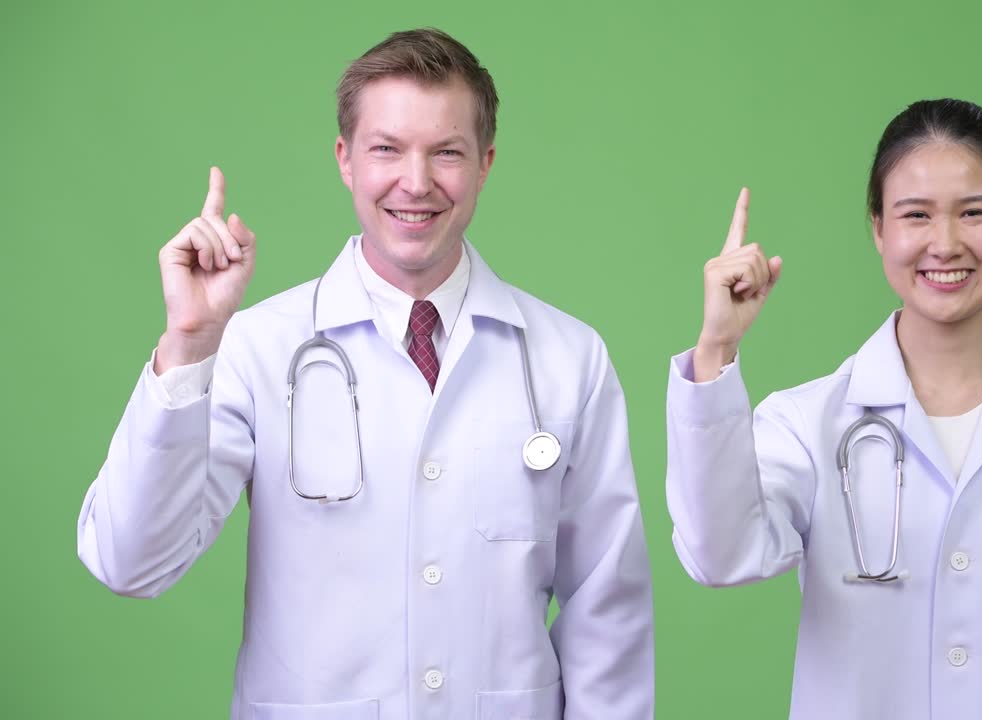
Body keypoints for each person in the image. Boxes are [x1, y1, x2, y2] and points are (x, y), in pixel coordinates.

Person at [77, 28, 653, 720]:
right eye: (387, 149)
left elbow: (607, 611)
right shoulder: (255, 348)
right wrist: (189, 343)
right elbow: (131, 564)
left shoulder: (568, 358)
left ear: (485, 164)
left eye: (447, 152)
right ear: (345, 159)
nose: (416, 182)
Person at [665, 99, 982, 719]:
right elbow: (718, 555)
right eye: (915, 215)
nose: (945, 244)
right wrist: (718, 347)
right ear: (878, 228)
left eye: (974, 212)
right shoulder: (808, 424)